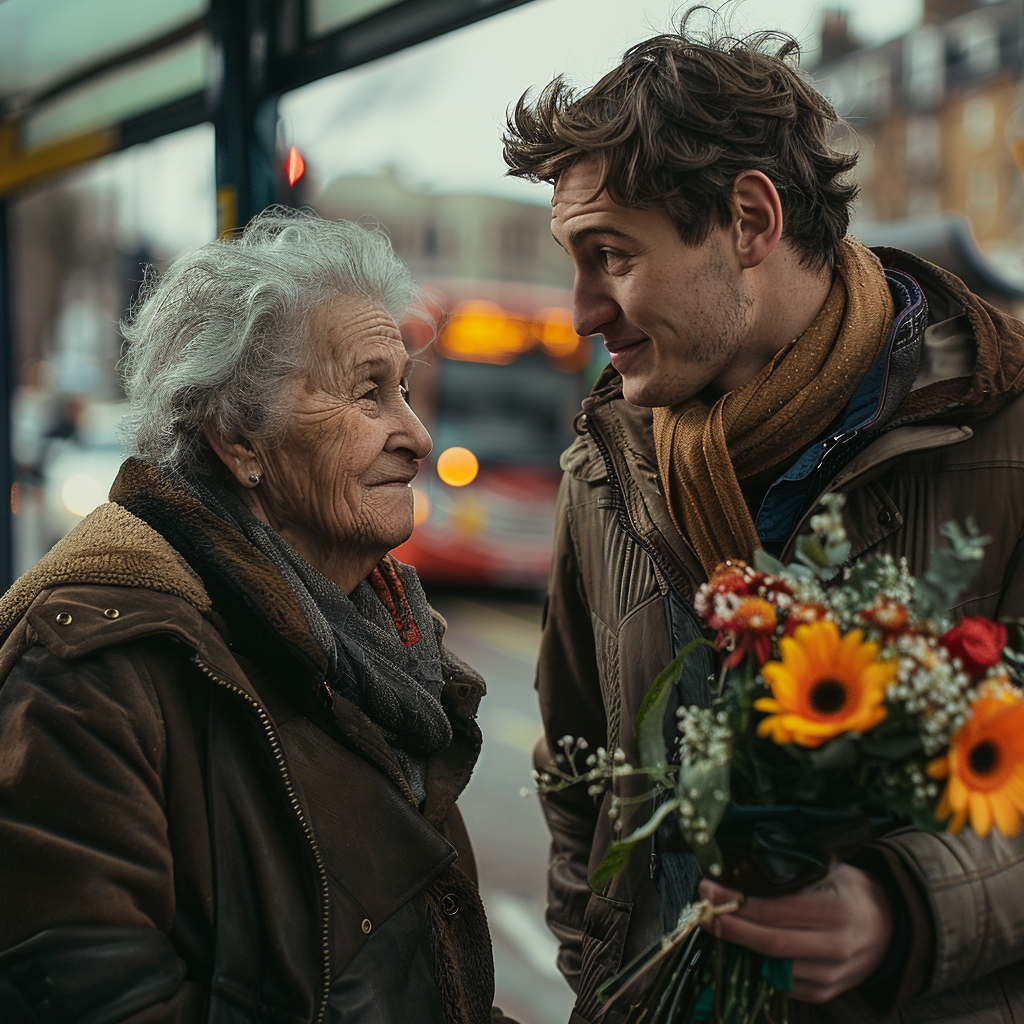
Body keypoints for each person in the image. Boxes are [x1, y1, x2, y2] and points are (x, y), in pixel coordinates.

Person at [502, 14, 1024, 1024]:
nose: (580, 311)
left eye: (609, 255)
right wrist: (603, 975)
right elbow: (576, 774)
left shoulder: (1003, 430)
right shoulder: (604, 460)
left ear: (748, 220)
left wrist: (902, 908)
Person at [0, 209, 514, 1024]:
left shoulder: (381, 645)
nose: (415, 435)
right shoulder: (91, 668)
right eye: (368, 392)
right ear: (241, 440)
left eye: (405, 390)